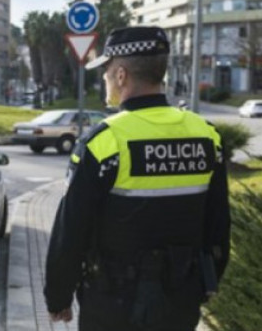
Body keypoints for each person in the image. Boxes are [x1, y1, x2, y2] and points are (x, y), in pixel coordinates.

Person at [44, 26, 231, 330]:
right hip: (179, 299)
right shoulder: (207, 136)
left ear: (121, 75)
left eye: (105, 71)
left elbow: (71, 228)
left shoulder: (106, 141)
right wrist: (206, 283)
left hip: (112, 303)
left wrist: (58, 296)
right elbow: (218, 225)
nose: (104, 79)